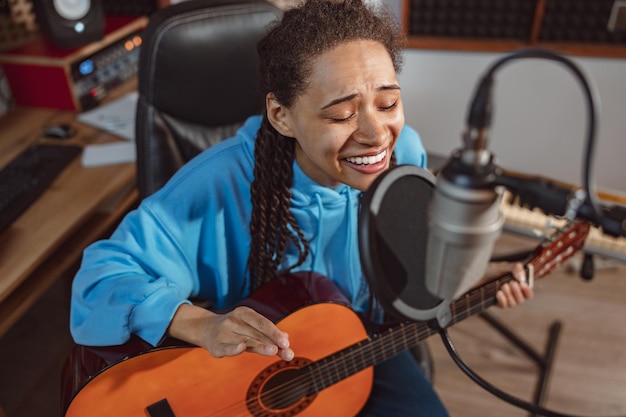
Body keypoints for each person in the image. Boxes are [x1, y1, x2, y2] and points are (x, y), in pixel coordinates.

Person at [69, 0, 533, 415]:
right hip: (245, 375)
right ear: (281, 116)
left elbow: (405, 256)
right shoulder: (219, 182)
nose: (376, 135)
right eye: (341, 115)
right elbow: (101, 278)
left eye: (388, 103)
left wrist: (462, 276)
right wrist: (199, 324)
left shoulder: (404, 154)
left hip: (361, 344)